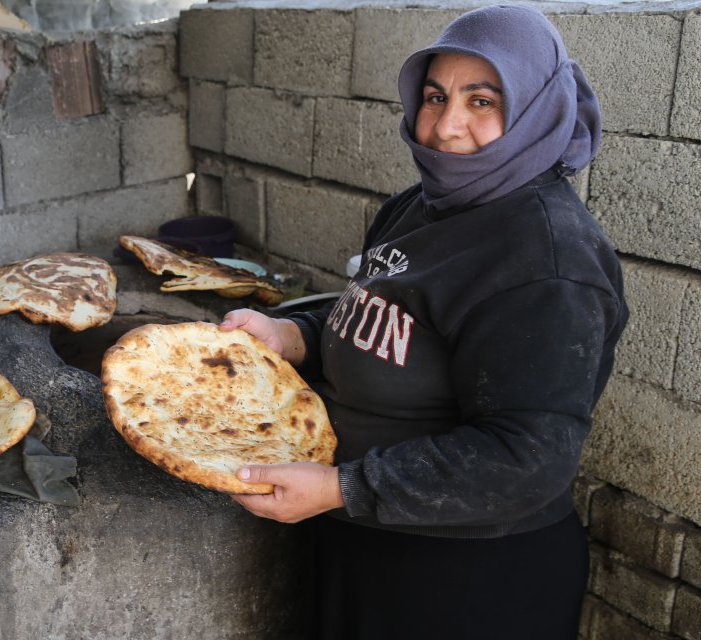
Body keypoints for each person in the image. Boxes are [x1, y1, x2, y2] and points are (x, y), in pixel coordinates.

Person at [217, 5, 628, 639]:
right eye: (435, 97)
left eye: (482, 101)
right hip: (369, 535)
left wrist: (342, 488)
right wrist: (294, 336)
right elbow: (385, 323)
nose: (446, 127)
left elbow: (526, 457)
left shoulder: (546, 263)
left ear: (536, 108)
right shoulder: (423, 206)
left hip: (468, 578)